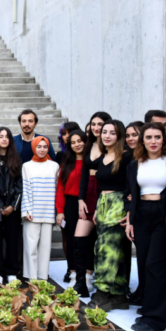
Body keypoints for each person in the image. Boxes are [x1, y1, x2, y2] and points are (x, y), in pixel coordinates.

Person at [126, 123, 166, 331]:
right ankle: (149, 309)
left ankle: (157, 317)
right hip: (141, 215)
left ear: (163, 139)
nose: (153, 141)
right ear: (142, 140)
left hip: (162, 215)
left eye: (157, 137)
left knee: (157, 264)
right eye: (149, 137)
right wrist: (129, 221)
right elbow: (132, 195)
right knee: (145, 263)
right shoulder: (135, 164)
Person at [81, 119, 133, 311]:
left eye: (112, 132)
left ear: (119, 136)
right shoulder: (102, 157)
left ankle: (102, 294)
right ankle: (119, 294)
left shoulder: (127, 157)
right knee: (113, 251)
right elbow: (99, 185)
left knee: (106, 250)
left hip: (118, 205)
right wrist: (96, 209)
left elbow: (131, 186)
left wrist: (129, 211)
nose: (107, 136)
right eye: (104, 132)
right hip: (103, 204)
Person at [74, 111, 112, 297]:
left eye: (101, 124)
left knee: (101, 241)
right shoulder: (89, 145)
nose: (97, 128)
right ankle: (81, 282)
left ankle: (101, 282)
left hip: (105, 193)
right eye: (94, 124)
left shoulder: (111, 146)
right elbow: (83, 174)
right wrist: (80, 199)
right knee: (79, 238)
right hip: (87, 193)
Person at [0, 127, 22, 284]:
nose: (4, 139)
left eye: (7, 136)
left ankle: (11, 271)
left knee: (12, 239)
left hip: (12, 207)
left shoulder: (16, 159)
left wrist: (12, 206)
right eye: (0, 136)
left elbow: (19, 185)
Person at [21, 137, 59, 280]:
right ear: (34, 148)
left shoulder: (54, 166)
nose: (42, 149)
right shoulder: (27, 166)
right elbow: (25, 189)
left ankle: (42, 277)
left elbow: (57, 189)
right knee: (31, 248)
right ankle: (31, 277)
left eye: (45, 147)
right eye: (39, 147)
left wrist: (56, 211)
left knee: (45, 248)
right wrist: (27, 210)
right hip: (32, 212)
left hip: (48, 211)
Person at [56, 130, 87, 290]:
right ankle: (74, 273)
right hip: (69, 205)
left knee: (85, 242)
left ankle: (87, 275)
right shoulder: (66, 163)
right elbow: (60, 187)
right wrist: (60, 211)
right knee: (70, 240)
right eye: (73, 142)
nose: (77, 144)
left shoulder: (91, 161)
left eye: (80, 141)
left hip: (87, 204)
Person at [55, 121, 80, 280]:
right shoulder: (60, 156)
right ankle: (70, 268)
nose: (67, 137)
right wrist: (60, 210)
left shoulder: (86, 155)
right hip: (67, 201)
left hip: (84, 201)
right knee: (67, 237)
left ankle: (85, 270)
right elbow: (60, 184)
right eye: (64, 134)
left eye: (70, 133)